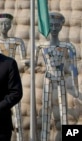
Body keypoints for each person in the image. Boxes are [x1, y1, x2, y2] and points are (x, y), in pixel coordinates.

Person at [36, 12, 80, 141]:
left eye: (57, 25)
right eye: (51, 25)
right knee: (46, 110)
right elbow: (33, 63)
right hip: (48, 78)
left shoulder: (68, 46)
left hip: (60, 78)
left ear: (61, 26)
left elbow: (73, 68)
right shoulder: (41, 46)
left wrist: (76, 88)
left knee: (64, 110)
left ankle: (67, 137)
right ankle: (44, 137)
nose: (54, 28)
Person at [0, 13, 27, 141]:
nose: (4, 26)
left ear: (11, 25)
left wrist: (28, 62)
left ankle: (19, 138)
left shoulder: (17, 42)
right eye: (1, 23)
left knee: (17, 112)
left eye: (7, 24)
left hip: (12, 79)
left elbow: (24, 59)